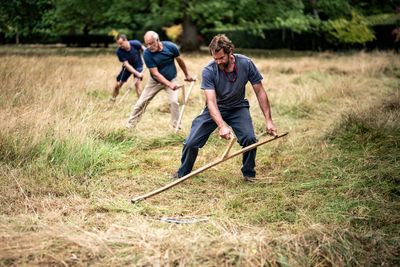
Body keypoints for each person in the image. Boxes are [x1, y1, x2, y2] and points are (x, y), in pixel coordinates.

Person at [174, 34, 277, 182]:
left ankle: (249, 174)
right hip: (216, 108)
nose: (218, 62)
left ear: (230, 52)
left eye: (221, 58)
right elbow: (211, 102)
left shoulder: (246, 63)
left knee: (250, 139)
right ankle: (182, 173)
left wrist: (269, 120)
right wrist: (221, 126)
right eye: (215, 58)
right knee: (191, 142)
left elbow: (260, 91)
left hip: (237, 107)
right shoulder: (209, 70)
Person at [126, 30, 195, 129]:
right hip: (155, 82)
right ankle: (130, 126)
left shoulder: (171, 47)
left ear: (157, 40)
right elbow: (155, 73)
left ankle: (176, 127)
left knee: (174, 102)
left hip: (172, 79)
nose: (149, 46)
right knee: (141, 102)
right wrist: (169, 85)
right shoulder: (147, 54)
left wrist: (187, 75)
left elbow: (180, 60)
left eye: (151, 43)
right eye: (147, 44)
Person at [110, 33, 145, 102]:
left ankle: (140, 103)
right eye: (118, 44)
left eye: (121, 43)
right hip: (127, 68)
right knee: (118, 84)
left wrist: (150, 57)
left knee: (137, 83)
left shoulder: (135, 43)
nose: (119, 46)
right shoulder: (119, 51)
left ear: (126, 40)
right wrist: (137, 74)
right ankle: (113, 100)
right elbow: (127, 65)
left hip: (138, 65)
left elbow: (145, 50)